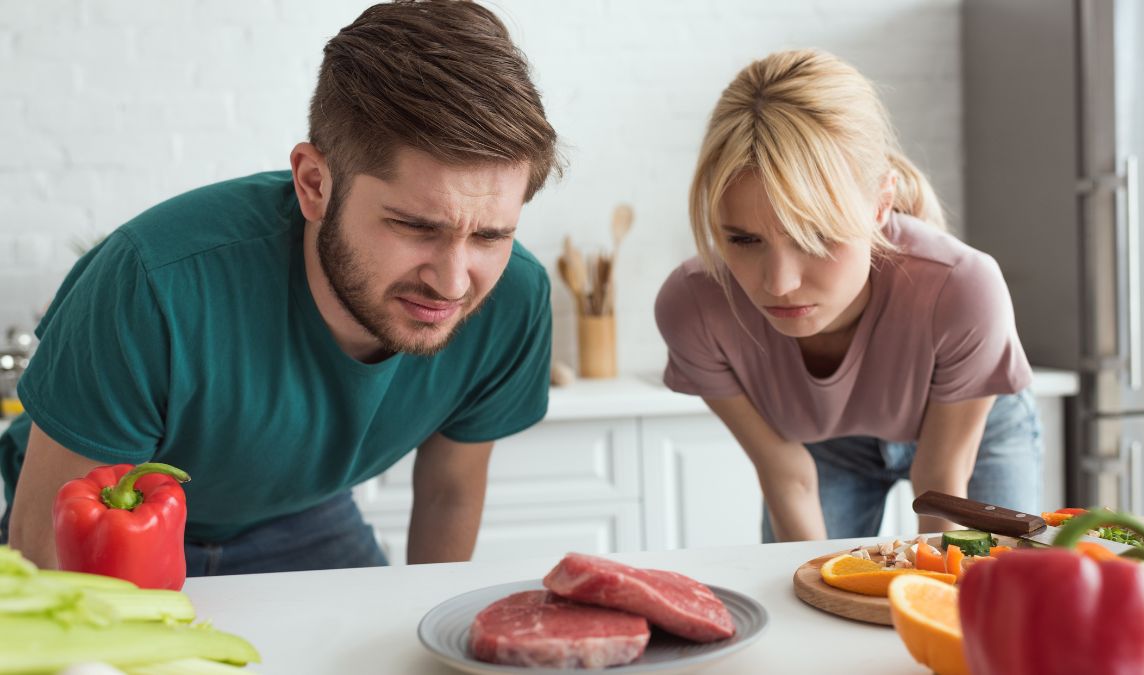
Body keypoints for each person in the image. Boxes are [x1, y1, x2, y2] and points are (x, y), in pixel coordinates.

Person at [0, 0, 561, 574]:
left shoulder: (513, 297)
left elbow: (450, 491)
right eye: (415, 226)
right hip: (113, 512)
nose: (452, 282)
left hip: (303, 516)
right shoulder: (151, 285)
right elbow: (44, 549)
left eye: (491, 235)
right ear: (314, 183)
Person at [655, 49, 1042, 541]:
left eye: (816, 237)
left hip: (977, 431)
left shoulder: (962, 289)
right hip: (826, 438)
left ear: (882, 205)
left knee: (990, 594)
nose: (779, 285)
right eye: (744, 240)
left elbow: (941, 481)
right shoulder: (694, 311)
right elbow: (785, 474)